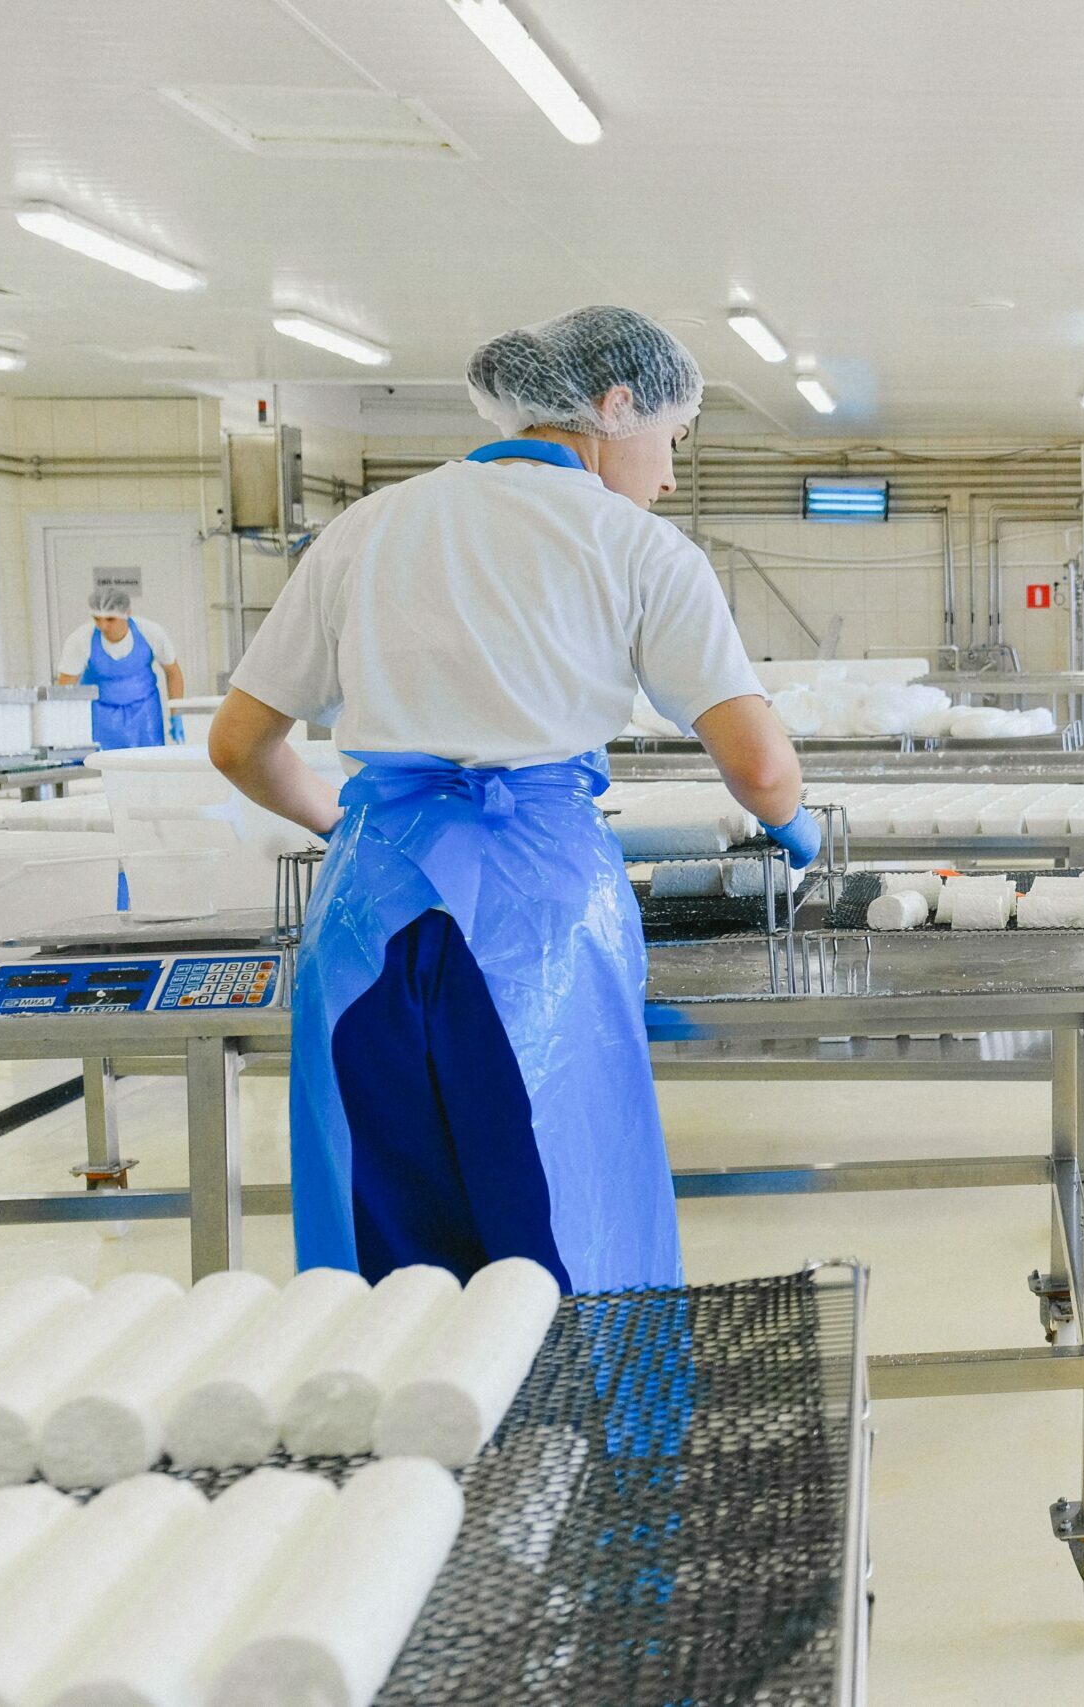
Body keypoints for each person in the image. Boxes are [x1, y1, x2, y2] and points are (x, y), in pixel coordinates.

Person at [209, 305, 818, 1293]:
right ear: (615, 407)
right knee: (563, 1229)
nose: (670, 475)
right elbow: (759, 768)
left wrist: (347, 825)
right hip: (539, 925)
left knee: (385, 1255)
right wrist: (797, 829)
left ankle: (397, 1399)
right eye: (674, 439)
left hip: (367, 918)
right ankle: (583, 1401)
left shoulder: (367, 526)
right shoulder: (636, 545)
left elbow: (237, 744)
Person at [56, 591, 186, 748]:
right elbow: (64, 689)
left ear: (127, 613)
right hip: (99, 716)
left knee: (147, 759)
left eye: (110, 619)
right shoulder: (81, 640)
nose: (103, 626)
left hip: (145, 714)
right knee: (100, 761)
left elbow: (173, 673)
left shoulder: (151, 632)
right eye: (97, 619)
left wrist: (176, 714)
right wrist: (61, 728)